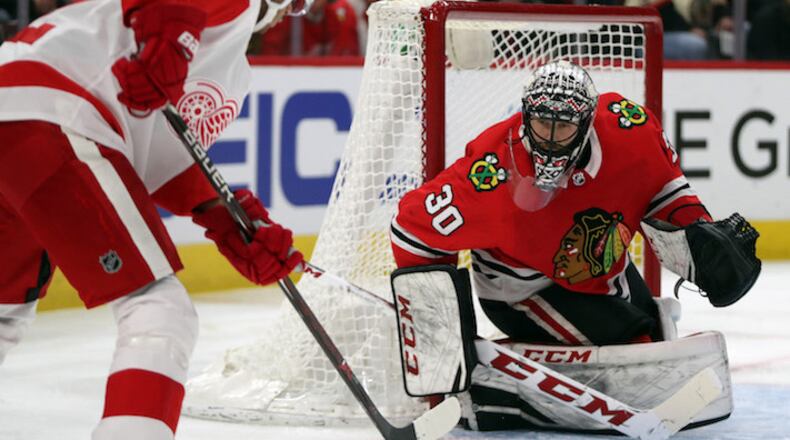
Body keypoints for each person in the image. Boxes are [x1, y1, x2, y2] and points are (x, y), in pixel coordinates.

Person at [390, 60, 760, 430]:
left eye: (563, 126)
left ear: (587, 122)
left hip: (602, 265)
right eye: (540, 123)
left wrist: (696, 227)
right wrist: (441, 337)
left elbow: (663, 189)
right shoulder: (491, 172)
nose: (549, 138)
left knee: (655, 334)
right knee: (631, 347)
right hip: (523, 289)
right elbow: (410, 229)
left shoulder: (629, 128)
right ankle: (494, 399)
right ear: (525, 115)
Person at [0, 0, 309, 438]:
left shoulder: (232, 71)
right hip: (53, 109)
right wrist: (168, 28)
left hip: (21, 112)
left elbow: (159, 160)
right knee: (160, 310)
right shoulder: (239, 7)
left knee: (4, 311)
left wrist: (224, 220)